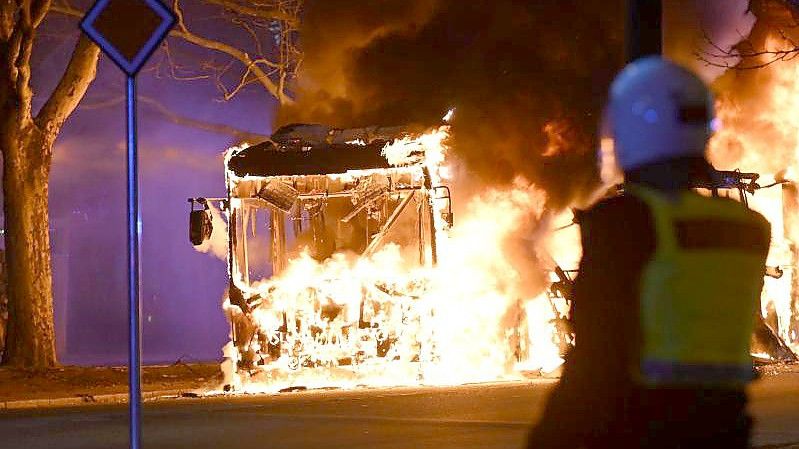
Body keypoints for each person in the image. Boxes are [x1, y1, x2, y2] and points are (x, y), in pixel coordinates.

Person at [526, 56, 770, 449]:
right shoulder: (749, 228)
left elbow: (597, 355)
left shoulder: (626, 222)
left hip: (641, 425)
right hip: (724, 426)